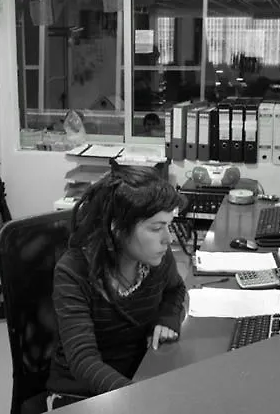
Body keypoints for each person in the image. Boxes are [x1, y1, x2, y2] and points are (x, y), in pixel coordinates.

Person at [46, 166, 187, 410]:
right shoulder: (73, 272)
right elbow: (84, 362)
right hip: (81, 395)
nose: (168, 238)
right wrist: (138, 397)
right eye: (156, 228)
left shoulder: (156, 258)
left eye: (168, 225)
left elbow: (175, 290)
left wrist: (167, 318)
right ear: (117, 228)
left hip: (137, 376)